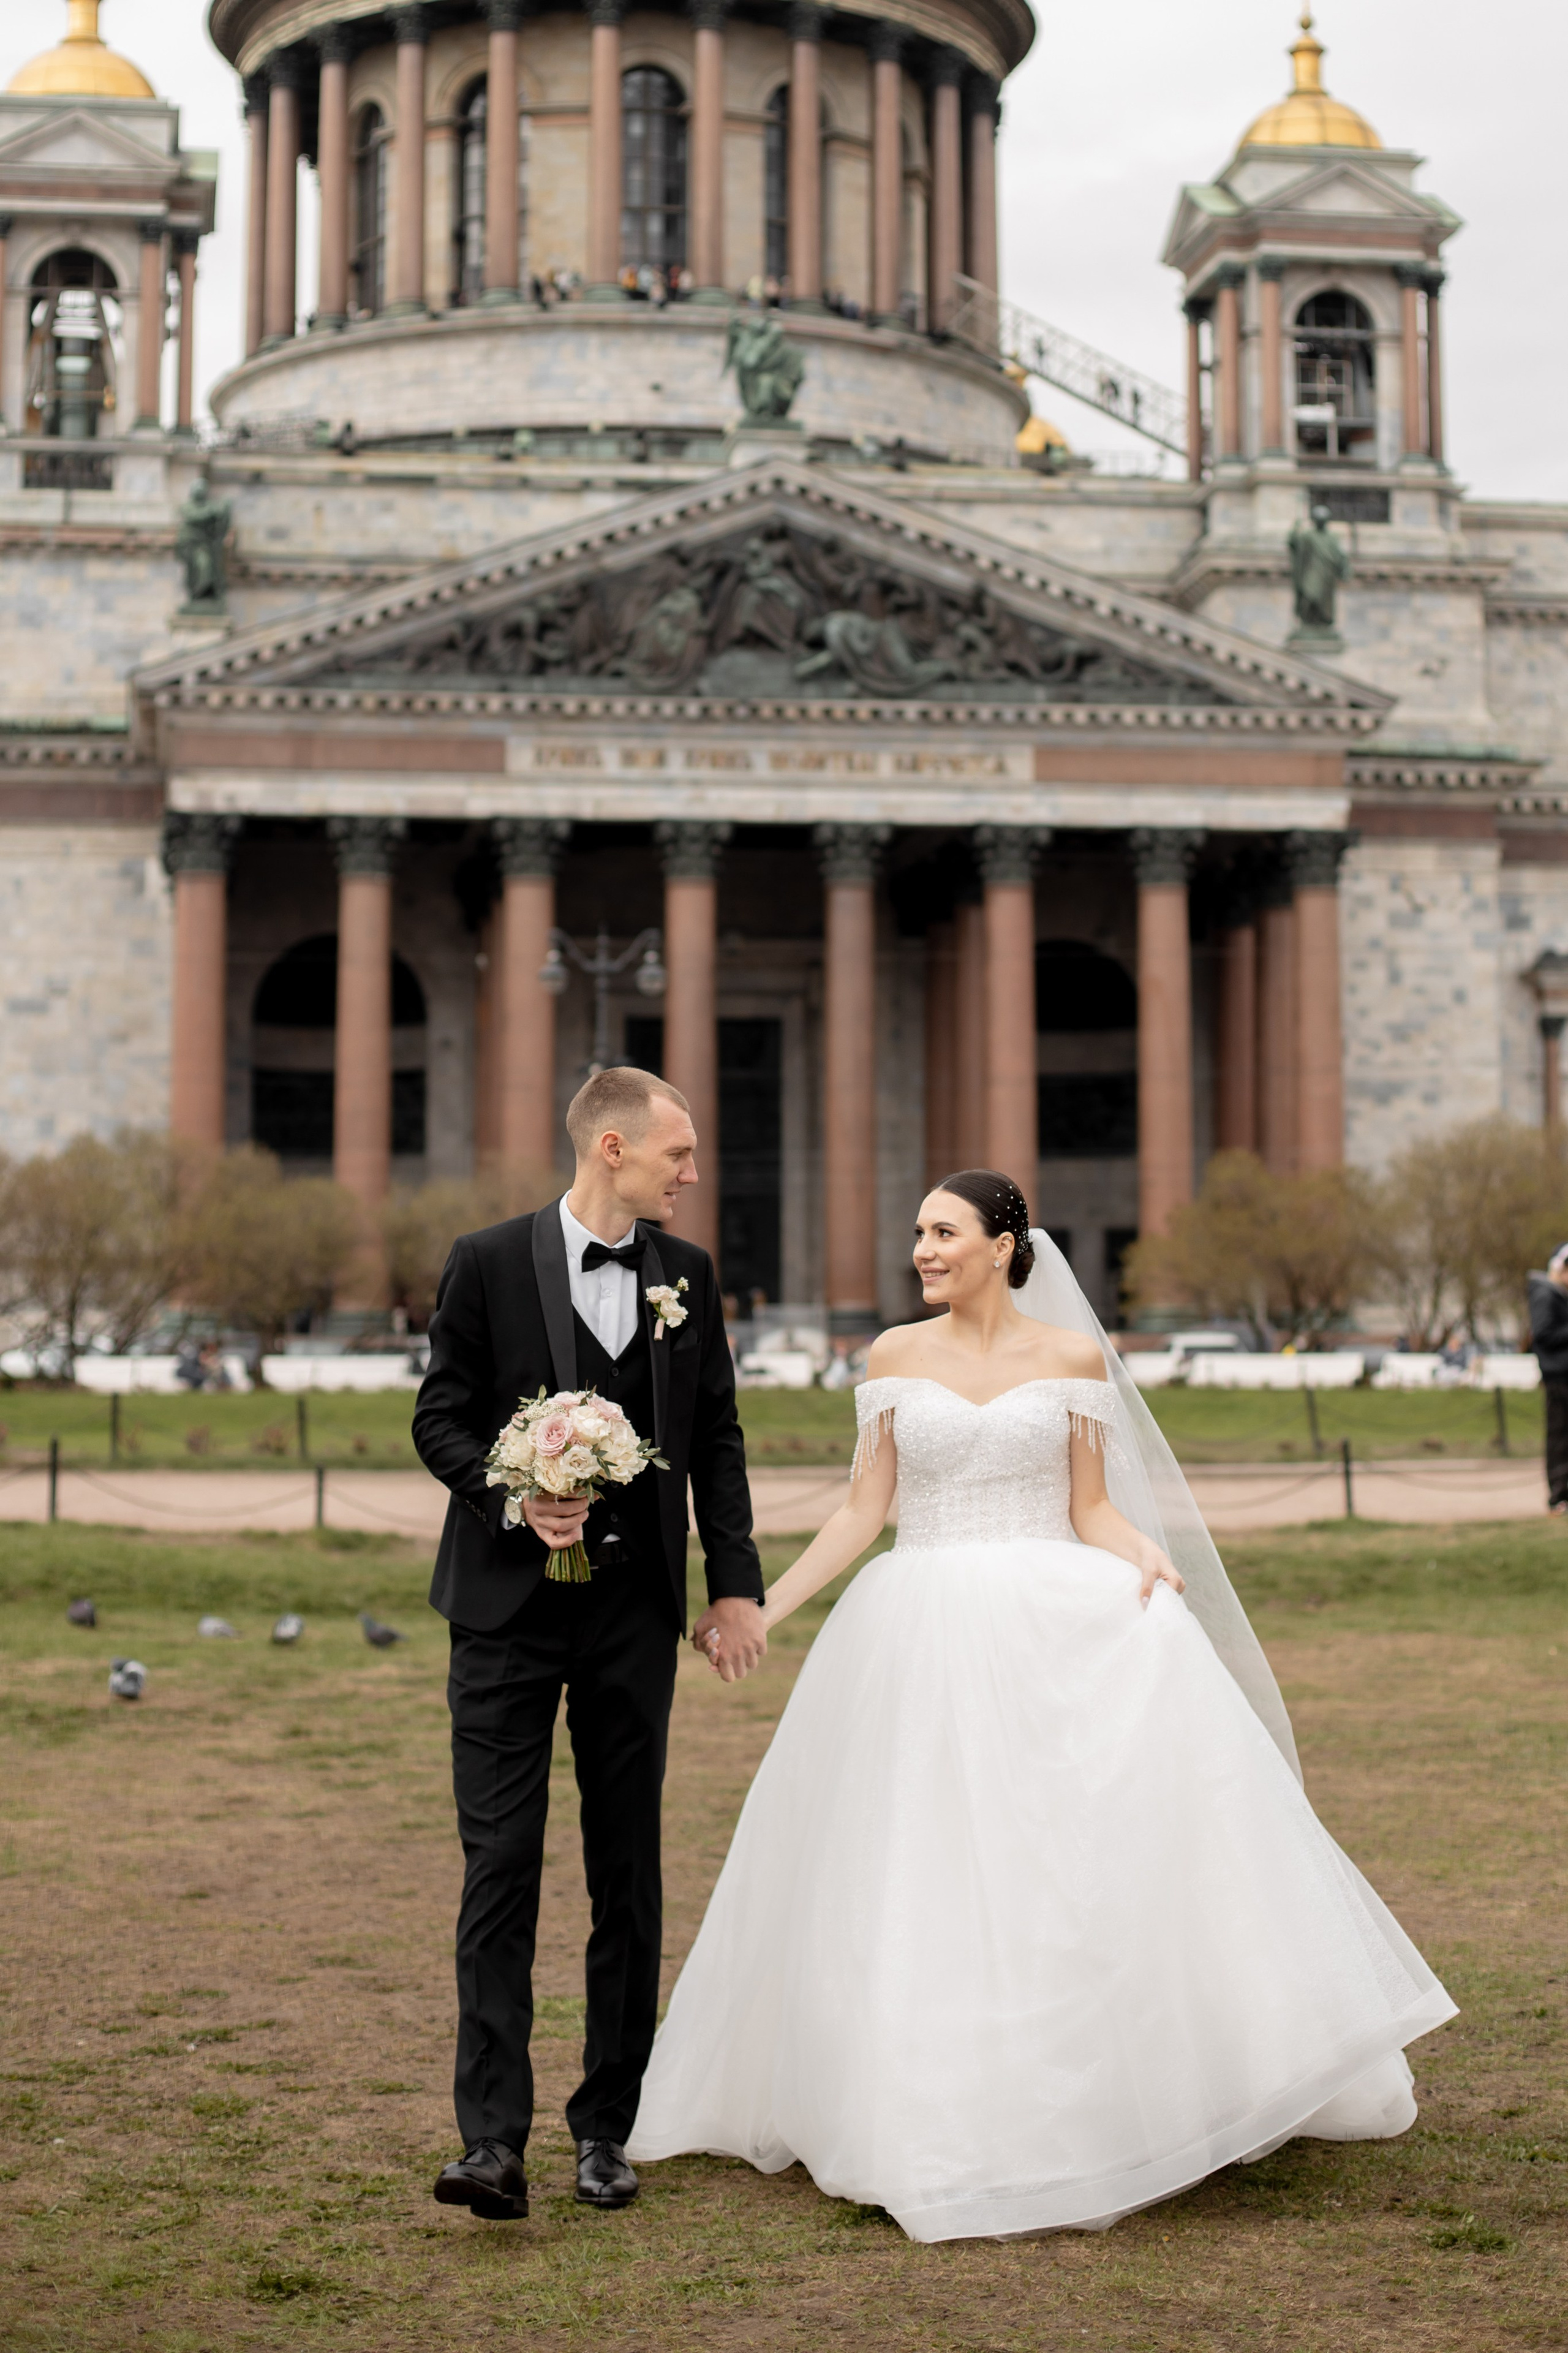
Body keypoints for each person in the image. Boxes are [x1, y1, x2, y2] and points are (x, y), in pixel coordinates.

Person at [630, 1169, 1456, 2242]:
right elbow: (863, 1512)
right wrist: (763, 1608)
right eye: (918, 1231)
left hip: (1052, 1608)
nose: (923, 1249)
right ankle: (924, 2089)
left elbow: (1091, 1506)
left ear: (1003, 1243)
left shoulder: (1070, 1359)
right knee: (920, 1856)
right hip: (917, 1620)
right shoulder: (892, 1357)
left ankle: (1115, 2088)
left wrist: (1142, 1555)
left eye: (943, 1231)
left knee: (1058, 1848)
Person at [412, 1068, 766, 2223]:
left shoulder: (689, 1277)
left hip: (632, 1618)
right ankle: (490, 2143)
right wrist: (513, 1497)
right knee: (500, 1866)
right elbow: (441, 1416)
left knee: (628, 1871)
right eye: (680, 1152)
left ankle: (608, 2127)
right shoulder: (484, 1260)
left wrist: (738, 1587)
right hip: (503, 1618)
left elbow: (714, 1436)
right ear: (612, 1147)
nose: (693, 1173)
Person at [1526, 1243, 1568, 1511]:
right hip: (1558, 1377)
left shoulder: (1560, 1295)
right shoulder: (1546, 1295)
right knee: (1560, 1436)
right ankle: (1559, 1495)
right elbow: (1542, 1335)